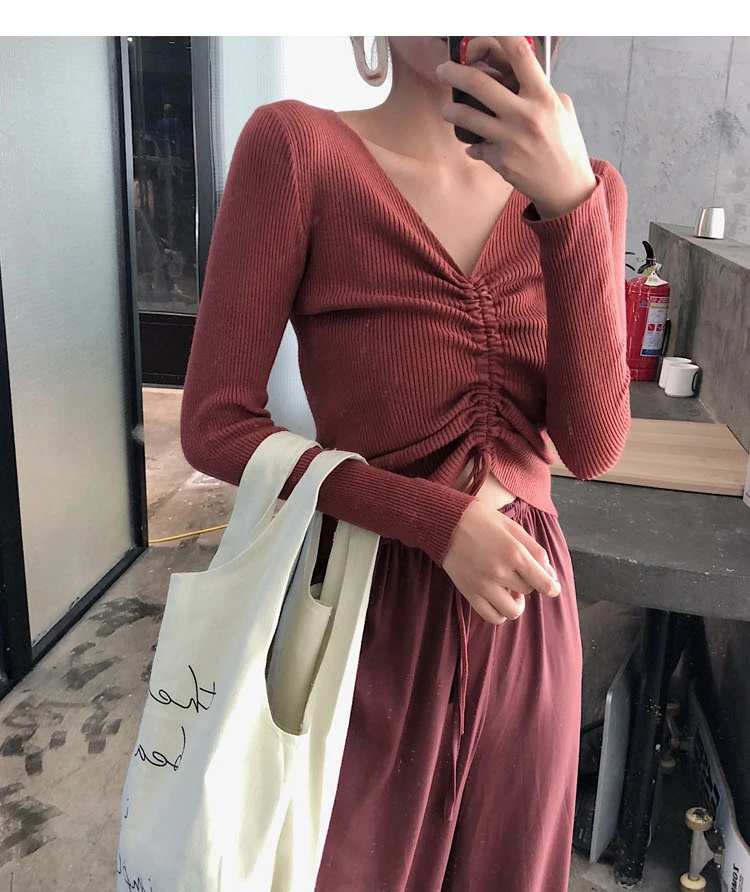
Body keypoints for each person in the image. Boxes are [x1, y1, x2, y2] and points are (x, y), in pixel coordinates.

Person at [180, 35, 630, 892]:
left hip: (528, 621)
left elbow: (592, 447)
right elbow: (214, 424)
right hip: (363, 605)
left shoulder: (590, 187)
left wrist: (569, 205)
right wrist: (431, 518)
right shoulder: (299, 150)